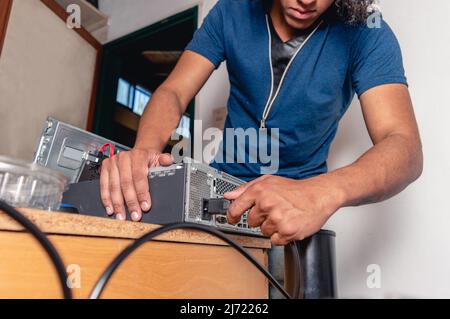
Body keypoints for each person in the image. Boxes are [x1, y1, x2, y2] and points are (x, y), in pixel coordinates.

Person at [99, 0, 423, 245]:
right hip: (221, 197)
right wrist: (144, 151)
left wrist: (325, 192)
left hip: (297, 207)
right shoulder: (231, 10)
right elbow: (174, 90)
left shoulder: (369, 33)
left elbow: (403, 145)